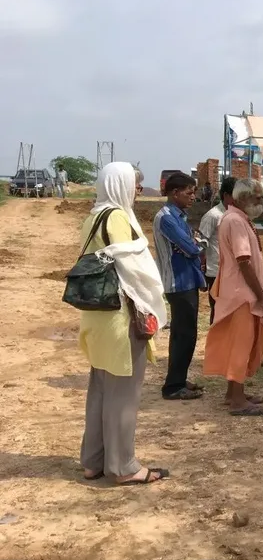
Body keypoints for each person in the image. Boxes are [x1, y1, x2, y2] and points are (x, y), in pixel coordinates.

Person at [79, 163, 170, 485]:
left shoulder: (94, 216)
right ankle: (123, 467)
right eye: (133, 184)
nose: (137, 190)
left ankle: (94, 461)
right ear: (120, 185)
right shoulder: (117, 217)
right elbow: (133, 270)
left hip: (96, 316)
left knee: (101, 389)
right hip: (120, 317)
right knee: (123, 394)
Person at [203, 179, 263, 416]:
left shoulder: (239, 220)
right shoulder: (235, 221)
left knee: (239, 344)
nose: (260, 202)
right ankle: (238, 401)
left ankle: (234, 393)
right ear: (241, 199)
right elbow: (244, 262)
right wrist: (261, 298)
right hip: (242, 295)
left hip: (240, 294)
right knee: (241, 345)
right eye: (257, 198)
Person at [152, 171, 206, 401]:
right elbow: (193, 247)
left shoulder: (179, 216)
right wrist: (196, 244)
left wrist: (195, 243)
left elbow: (194, 243)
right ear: (175, 193)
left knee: (185, 334)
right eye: (189, 192)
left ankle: (179, 379)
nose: (193, 197)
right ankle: (173, 386)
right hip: (178, 281)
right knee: (183, 335)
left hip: (187, 279)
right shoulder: (167, 218)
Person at [198, 177, 236, 324]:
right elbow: (201, 244)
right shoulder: (213, 216)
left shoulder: (236, 215)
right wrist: (201, 274)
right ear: (226, 195)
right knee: (219, 312)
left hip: (233, 272)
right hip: (216, 272)